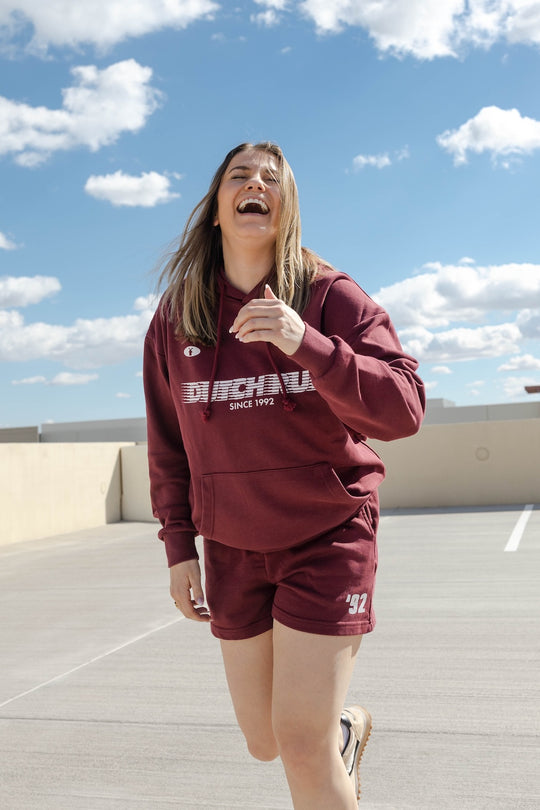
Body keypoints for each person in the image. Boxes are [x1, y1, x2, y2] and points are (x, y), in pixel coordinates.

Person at [143, 141, 425, 809]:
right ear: (216, 209)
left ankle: (325, 741)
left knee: (299, 744)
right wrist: (179, 548)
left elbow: (405, 407)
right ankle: (344, 733)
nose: (256, 184)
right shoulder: (177, 317)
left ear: (287, 208)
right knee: (266, 741)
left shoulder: (330, 296)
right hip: (236, 547)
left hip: (329, 536)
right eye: (240, 176)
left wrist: (307, 342)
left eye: (272, 179)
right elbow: (167, 443)